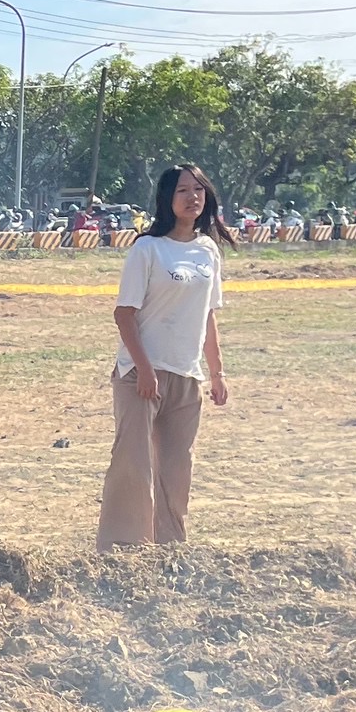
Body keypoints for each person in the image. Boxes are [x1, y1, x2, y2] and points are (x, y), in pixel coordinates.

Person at [96, 165, 232, 550]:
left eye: (198, 190)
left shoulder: (208, 251)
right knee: (134, 465)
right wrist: (143, 368)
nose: (192, 197)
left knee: (176, 470)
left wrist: (217, 373)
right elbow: (124, 314)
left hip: (186, 375)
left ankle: (171, 549)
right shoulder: (148, 249)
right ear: (167, 199)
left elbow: (207, 315)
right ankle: (122, 550)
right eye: (183, 191)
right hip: (141, 375)